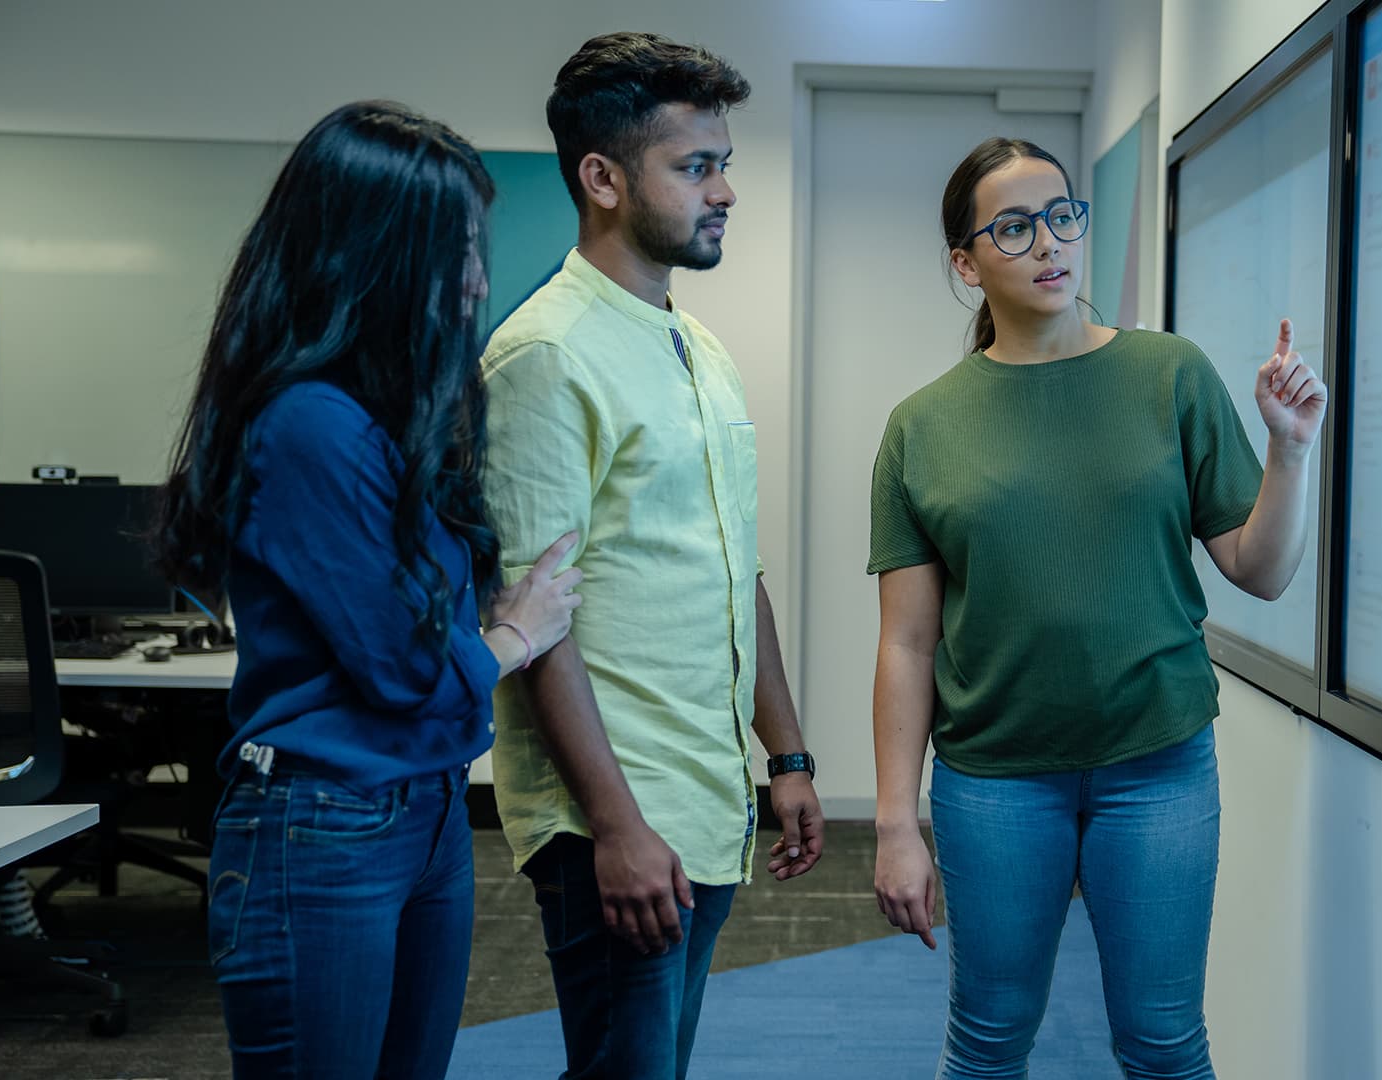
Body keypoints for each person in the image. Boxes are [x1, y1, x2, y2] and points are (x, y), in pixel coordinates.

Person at [868, 137, 1328, 1079]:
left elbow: (1262, 569)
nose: (1051, 242)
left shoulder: (1170, 374)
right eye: (1014, 226)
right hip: (995, 779)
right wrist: (893, 824)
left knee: (1164, 1043)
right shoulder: (921, 427)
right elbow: (907, 646)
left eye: (1064, 214)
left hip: (1157, 767)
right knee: (990, 1038)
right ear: (966, 262)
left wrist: (1288, 452)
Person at [152, 101, 584, 1078]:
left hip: (422, 811)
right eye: (458, 250)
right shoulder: (308, 426)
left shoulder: (390, 415)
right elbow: (403, 668)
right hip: (324, 824)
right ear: (378, 258)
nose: (477, 277)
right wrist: (515, 637)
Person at [478, 32, 825, 1080]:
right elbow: (538, 620)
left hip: (705, 788)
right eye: (696, 166)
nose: (726, 191)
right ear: (603, 178)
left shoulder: (695, 345)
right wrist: (618, 828)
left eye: (724, 163)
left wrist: (789, 755)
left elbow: (733, 570)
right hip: (613, 818)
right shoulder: (547, 356)